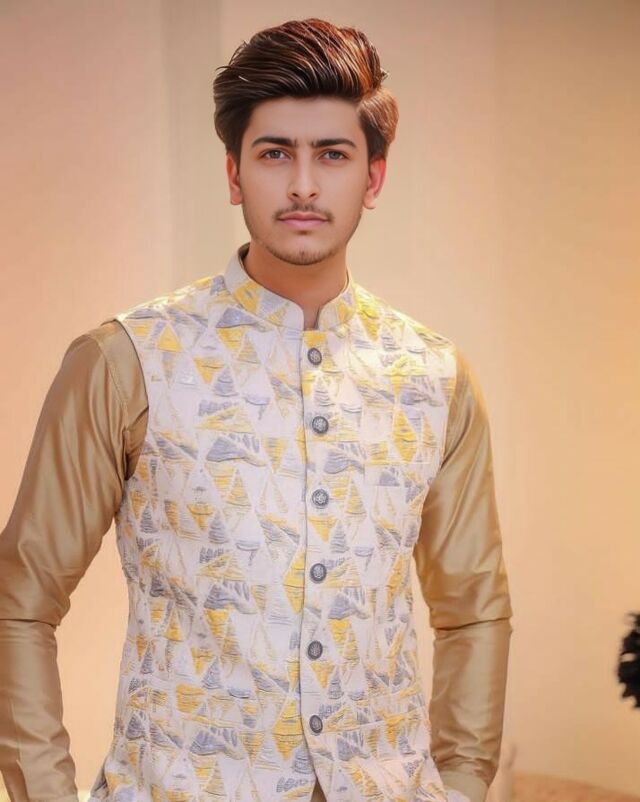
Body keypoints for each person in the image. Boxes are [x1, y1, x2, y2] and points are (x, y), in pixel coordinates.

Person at [0, 17, 513, 802]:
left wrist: (463, 786)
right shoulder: (127, 361)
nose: (303, 185)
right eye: (275, 153)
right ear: (235, 174)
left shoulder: (432, 377)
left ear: (374, 178)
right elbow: (20, 600)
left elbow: (473, 611)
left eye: (332, 155)